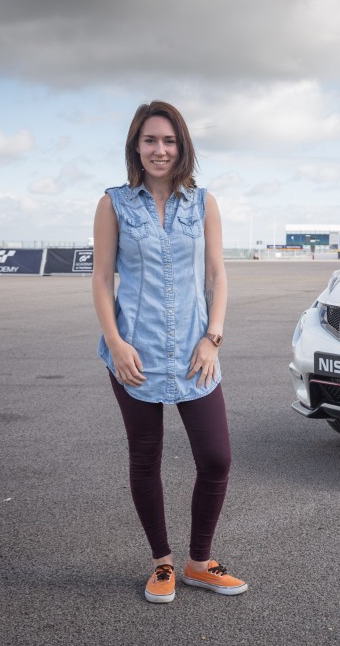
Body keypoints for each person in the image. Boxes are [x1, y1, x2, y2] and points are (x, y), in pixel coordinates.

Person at [92, 100, 246, 604]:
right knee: (145, 459)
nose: (160, 150)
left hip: (195, 353)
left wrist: (213, 335)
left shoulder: (203, 204)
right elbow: (101, 277)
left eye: (169, 141)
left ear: (182, 147)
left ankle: (199, 563)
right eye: (150, 140)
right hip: (134, 355)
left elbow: (217, 274)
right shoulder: (113, 203)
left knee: (217, 458)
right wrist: (116, 344)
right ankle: (162, 564)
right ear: (136, 146)